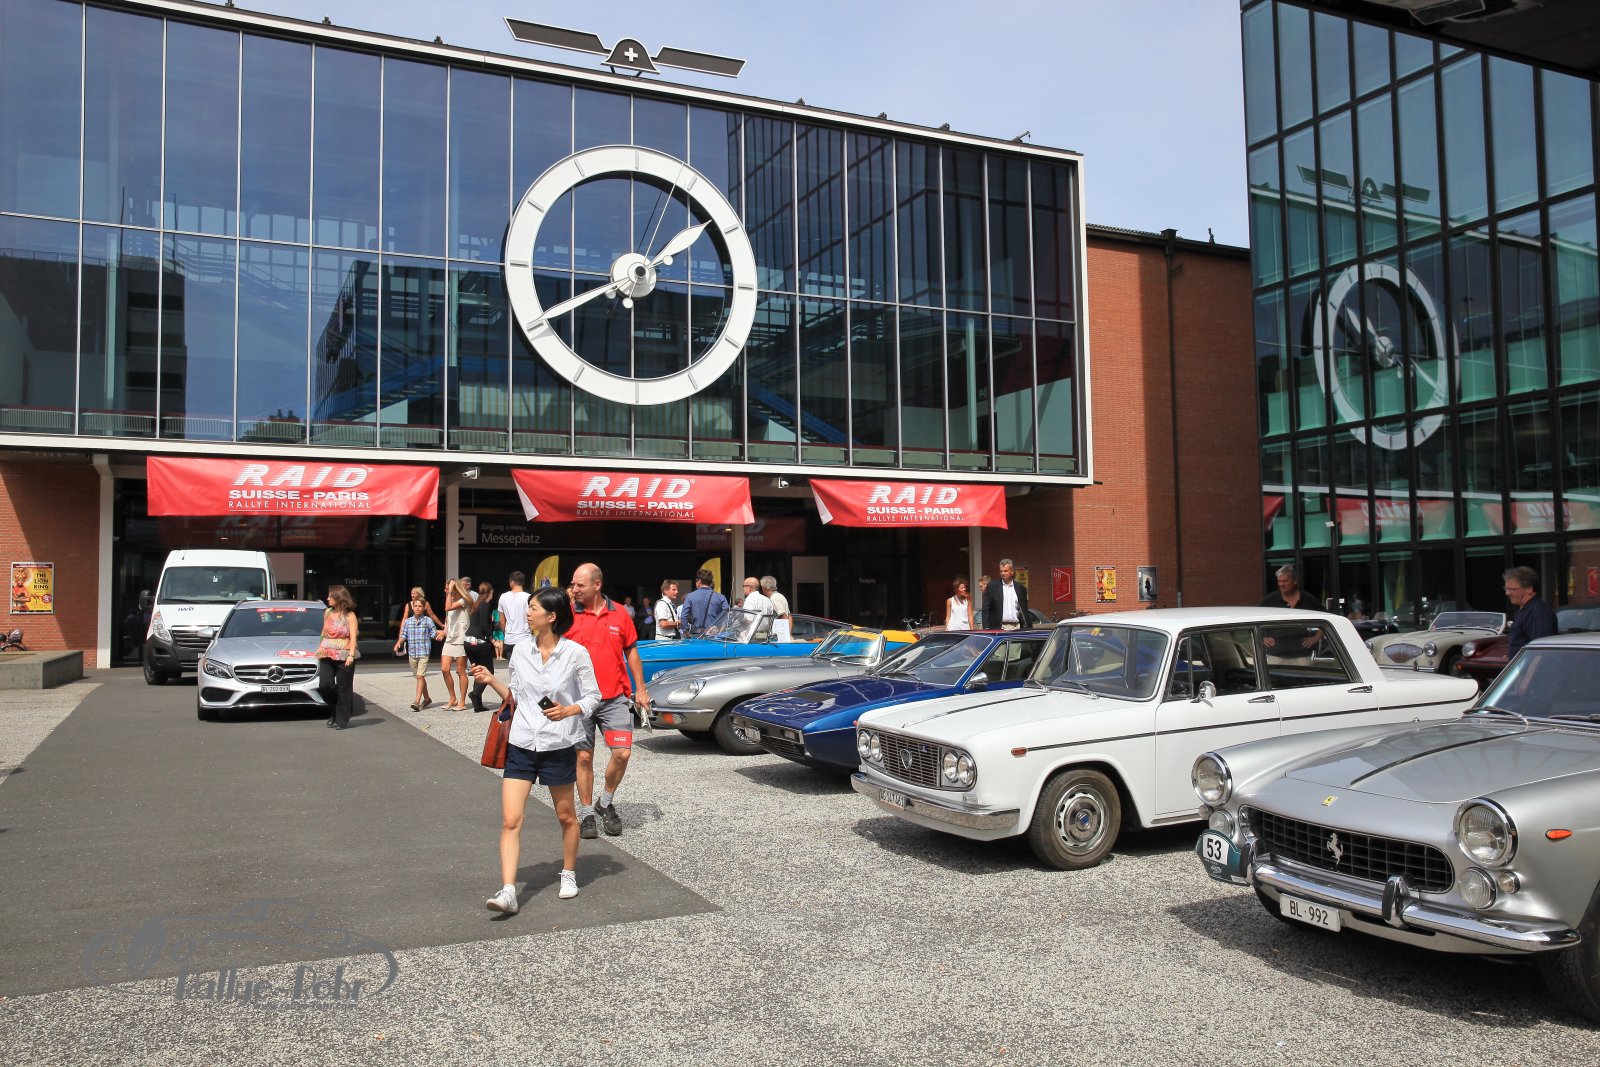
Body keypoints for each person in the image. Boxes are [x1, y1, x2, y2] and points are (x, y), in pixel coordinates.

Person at [471, 586, 600, 911]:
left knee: (566, 816)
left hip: (558, 745)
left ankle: (568, 873)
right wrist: (490, 680)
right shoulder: (520, 651)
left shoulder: (575, 653)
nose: (527, 613)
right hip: (522, 744)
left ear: (551, 616)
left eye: (533, 608)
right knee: (510, 820)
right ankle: (508, 891)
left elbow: (593, 697)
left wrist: (569, 710)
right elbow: (515, 695)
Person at [566, 563, 650, 840]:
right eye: (573, 584)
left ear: (597, 585)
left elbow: (631, 651)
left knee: (622, 753)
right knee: (584, 757)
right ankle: (587, 813)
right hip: (579, 701)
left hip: (614, 697)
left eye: (580, 585)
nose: (575, 589)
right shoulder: (568, 613)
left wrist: (641, 689)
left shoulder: (620, 613)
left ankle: (605, 802)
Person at [315, 584, 361, 730]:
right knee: (325, 685)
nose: (327, 598)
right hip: (327, 652)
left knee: (343, 688)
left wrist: (351, 655)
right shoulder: (327, 612)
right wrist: (319, 648)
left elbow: (353, 637)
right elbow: (323, 632)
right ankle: (335, 709)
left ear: (338, 597)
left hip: (345, 653)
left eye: (330, 596)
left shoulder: (350, 615)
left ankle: (342, 719)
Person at [1260, 564, 1322, 655]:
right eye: (1279, 581)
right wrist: (1262, 638)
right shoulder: (1270, 600)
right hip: (1276, 655)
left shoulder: (1307, 599)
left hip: (1302, 655)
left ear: (1295, 581)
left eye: (1285, 581)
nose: (1282, 584)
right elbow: (1255, 619)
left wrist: (1316, 638)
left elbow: (1326, 619)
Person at [393, 593, 440, 711]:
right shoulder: (408, 621)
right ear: (412, 608)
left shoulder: (427, 620)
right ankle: (427, 698)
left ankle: (417, 702)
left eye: (420, 606)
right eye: (415, 606)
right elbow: (404, 634)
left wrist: (437, 636)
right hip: (412, 653)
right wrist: (399, 642)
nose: (417, 608)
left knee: (420, 676)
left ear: (424, 608)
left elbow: (433, 632)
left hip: (424, 652)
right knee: (419, 677)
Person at [1505, 566, 1559, 656]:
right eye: (1506, 589)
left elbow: (1540, 650)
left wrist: (1530, 666)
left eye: (1512, 589)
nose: (1507, 593)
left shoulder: (1538, 612)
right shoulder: (1525, 610)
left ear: (1529, 589)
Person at [438, 578, 473, 711]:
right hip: (450, 639)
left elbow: (447, 608)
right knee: (445, 669)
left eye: (447, 588)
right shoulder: (451, 600)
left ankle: (462, 702)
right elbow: (448, 620)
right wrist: (443, 632)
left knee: (460, 671)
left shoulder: (464, 600)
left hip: (461, 638)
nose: (445, 591)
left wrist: (450, 592)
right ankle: (452, 698)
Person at [465, 579, 498, 712]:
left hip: (468, 641)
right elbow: (484, 625)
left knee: (478, 670)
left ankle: (478, 703)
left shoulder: (476, 604)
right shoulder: (484, 605)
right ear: (490, 592)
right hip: (479, 642)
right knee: (488, 670)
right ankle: (475, 693)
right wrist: (492, 639)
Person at [679, 569, 729, 639]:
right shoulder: (721, 597)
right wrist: (720, 632)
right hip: (714, 635)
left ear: (699, 581)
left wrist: (686, 631)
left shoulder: (690, 596)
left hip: (696, 635)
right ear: (710, 582)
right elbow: (727, 616)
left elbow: (684, 616)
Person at [981, 559, 1029, 631]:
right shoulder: (992, 586)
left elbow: (1024, 610)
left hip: (1017, 627)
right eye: (1001, 571)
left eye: (1005, 571)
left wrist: (1028, 627)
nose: (1003, 573)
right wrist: (986, 628)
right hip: (999, 628)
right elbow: (986, 609)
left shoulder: (1020, 588)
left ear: (1012, 571)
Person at [497, 571, 531, 663]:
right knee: (525, 666)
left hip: (510, 638)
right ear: (523, 582)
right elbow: (532, 617)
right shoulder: (529, 597)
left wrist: (505, 632)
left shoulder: (503, 597)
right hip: (525, 637)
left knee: (512, 667)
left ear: (511, 582)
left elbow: (501, 620)